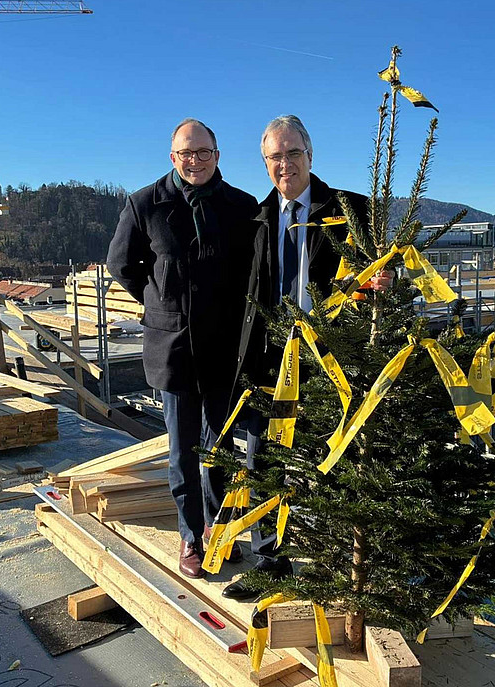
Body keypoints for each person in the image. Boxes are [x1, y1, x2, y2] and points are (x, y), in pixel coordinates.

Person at [224, 115, 383, 600]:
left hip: (332, 358)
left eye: (293, 153)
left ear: (310, 156)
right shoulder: (256, 218)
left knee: (334, 461)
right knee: (263, 461)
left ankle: (335, 565)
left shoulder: (351, 208)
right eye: (275, 157)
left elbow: (382, 271)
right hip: (271, 359)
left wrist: (385, 283)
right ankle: (270, 563)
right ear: (265, 163)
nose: (285, 164)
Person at [107, 118, 258, 579]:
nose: (195, 161)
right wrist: (160, 301)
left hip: (225, 348)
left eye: (203, 152)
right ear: (173, 157)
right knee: (183, 450)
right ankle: (191, 534)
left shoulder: (241, 206)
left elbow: (252, 271)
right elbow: (121, 264)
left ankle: (219, 528)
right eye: (186, 153)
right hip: (173, 347)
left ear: (217, 155)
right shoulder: (145, 204)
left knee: (221, 447)